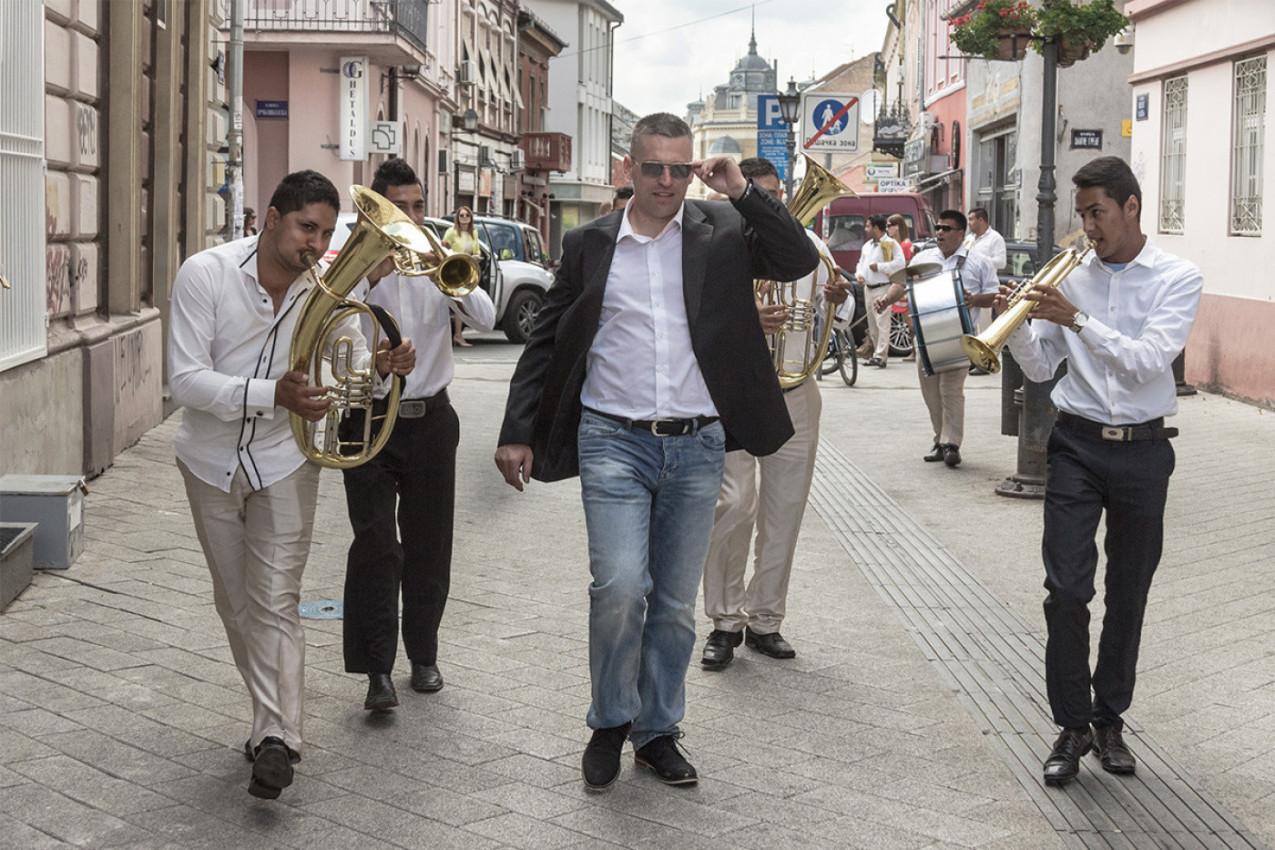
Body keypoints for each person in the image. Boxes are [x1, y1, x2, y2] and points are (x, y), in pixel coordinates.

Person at [494, 112, 818, 792]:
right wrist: (516, 430)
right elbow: (548, 339)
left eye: (679, 167)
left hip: (696, 445)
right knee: (618, 588)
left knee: (672, 605)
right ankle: (611, 719)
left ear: (692, 168)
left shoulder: (721, 229)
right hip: (611, 439)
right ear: (628, 171)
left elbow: (797, 259)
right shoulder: (588, 244)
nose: (667, 181)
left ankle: (658, 729)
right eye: (653, 168)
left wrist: (741, 191)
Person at [168, 170, 416, 799]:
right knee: (236, 604)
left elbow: (350, 366)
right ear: (270, 218)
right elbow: (186, 382)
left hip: (285, 459)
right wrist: (269, 393)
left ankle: (281, 738)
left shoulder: (324, 289)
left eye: (328, 232)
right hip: (209, 460)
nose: (317, 243)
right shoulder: (205, 273)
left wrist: (381, 369)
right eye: (308, 227)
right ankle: (265, 724)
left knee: (276, 598)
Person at [1000, 156, 1201, 787]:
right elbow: (1039, 370)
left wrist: (1076, 318)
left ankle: (1110, 718)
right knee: (1066, 591)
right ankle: (1072, 724)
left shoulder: (1178, 278)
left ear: (1131, 206)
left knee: (1129, 593)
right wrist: (1013, 327)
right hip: (1076, 444)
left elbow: (1146, 364)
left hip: (1144, 450)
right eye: (1082, 215)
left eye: (1098, 214)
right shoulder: (1076, 276)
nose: (1088, 227)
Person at [341, 158, 496, 712]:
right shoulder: (353, 255)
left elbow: (484, 315)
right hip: (367, 416)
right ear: (377, 208)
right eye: (400, 207)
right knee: (377, 546)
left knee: (430, 545)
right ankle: (376, 671)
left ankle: (423, 656)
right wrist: (372, 276)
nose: (411, 216)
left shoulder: (436, 252)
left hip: (431, 419)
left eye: (418, 205)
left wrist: (445, 269)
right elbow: (325, 314)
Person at [700, 157, 848, 671]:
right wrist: (745, 319)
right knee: (733, 505)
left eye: (774, 195)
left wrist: (837, 301)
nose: (769, 205)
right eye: (757, 194)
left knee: (784, 510)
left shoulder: (814, 250)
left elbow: (829, 320)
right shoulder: (719, 246)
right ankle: (723, 620)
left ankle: (766, 619)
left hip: (795, 388)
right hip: (736, 389)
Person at [874, 210, 998, 467]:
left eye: (946, 228)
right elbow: (903, 282)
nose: (939, 232)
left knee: (950, 390)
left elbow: (995, 295)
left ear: (961, 233)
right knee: (931, 391)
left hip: (960, 336)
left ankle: (951, 444)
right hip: (926, 335)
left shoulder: (979, 261)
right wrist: (887, 298)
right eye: (938, 227)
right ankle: (939, 440)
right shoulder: (924, 257)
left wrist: (974, 299)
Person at [856, 214, 906, 368]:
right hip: (868, 288)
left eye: (868, 226)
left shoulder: (891, 244)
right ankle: (876, 353)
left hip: (883, 287)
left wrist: (880, 267)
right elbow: (861, 263)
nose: (866, 229)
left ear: (876, 228)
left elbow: (900, 263)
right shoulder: (867, 246)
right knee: (872, 324)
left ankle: (881, 355)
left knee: (882, 322)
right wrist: (859, 275)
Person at [443, 206, 482, 347]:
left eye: (467, 215)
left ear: (471, 218)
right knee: (456, 303)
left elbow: (477, 249)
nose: (464, 218)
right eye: (461, 215)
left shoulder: (474, 233)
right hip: (454, 270)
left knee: (462, 303)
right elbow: (442, 247)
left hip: (467, 270)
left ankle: (458, 335)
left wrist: (477, 256)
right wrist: (452, 256)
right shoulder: (452, 232)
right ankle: (455, 335)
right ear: (457, 218)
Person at [886, 214, 915, 362]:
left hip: (904, 285)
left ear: (897, 227)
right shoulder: (898, 244)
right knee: (907, 320)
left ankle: (916, 350)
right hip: (900, 283)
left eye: (889, 226)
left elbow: (906, 264)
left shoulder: (905, 245)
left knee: (909, 320)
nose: (887, 229)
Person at [965, 207, 1008, 271]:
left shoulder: (995, 238)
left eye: (971, 219)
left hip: (985, 280)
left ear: (980, 220)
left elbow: (1001, 263)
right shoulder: (969, 238)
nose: (968, 223)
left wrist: (980, 259)